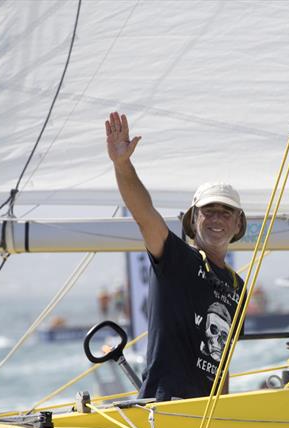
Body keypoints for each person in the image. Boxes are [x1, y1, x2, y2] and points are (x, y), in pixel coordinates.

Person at [105, 111, 245, 401]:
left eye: (226, 212)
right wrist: (122, 163)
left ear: (238, 224)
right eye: (209, 211)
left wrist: (224, 412)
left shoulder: (238, 287)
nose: (217, 218)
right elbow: (145, 214)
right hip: (166, 406)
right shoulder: (175, 259)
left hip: (205, 415)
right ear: (193, 220)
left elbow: (223, 363)